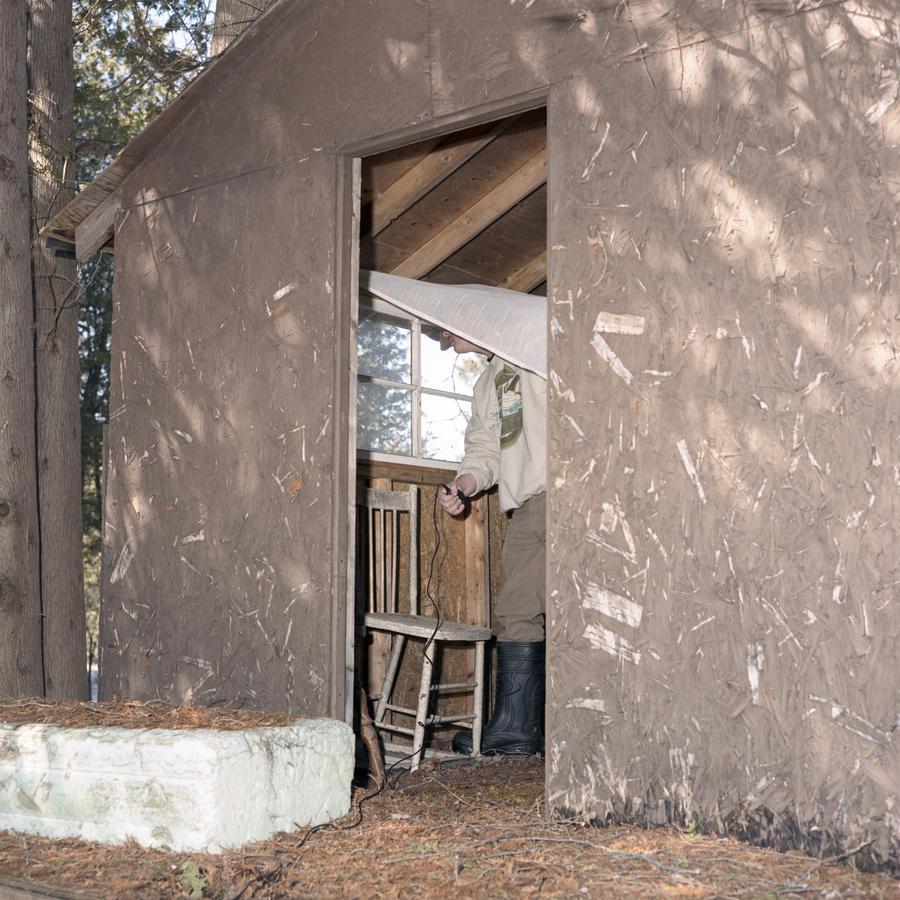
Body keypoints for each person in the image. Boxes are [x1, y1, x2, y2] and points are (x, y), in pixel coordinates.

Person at [438, 330, 546, 756]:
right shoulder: (487, 386)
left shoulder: (535, 350)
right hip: (526, 505)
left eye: (449, 330)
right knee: (517, 609)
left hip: (573, 493)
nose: (446, 340)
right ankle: (518, 728)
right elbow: (484, 451)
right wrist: (462, 486)